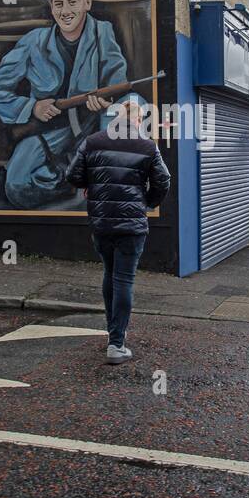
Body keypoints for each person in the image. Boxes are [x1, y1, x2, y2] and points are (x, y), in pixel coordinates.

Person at [0, 0, 141, 208]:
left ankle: (110, 182)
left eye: (73, 2)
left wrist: (106, 101)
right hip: (51, 131)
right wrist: (32, 107)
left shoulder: (102, 33)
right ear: (51, 6)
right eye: (59, 4)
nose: (65, 11)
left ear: (87, 3)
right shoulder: (34, 41)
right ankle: (71, 176)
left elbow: (116, 80)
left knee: (133, 103)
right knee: (17, 186)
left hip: (95, 124)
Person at [66, 99, 170, 364]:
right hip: (132, 224)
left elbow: (72, 175)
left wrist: (92, 184)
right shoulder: (146, 146)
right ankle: (116, 343)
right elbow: (163, 180)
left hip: (101, 223)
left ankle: (112, 333)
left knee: (109, 274)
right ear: (137, 121)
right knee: (124, 278)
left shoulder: (93, 141)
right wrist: (147, 201)